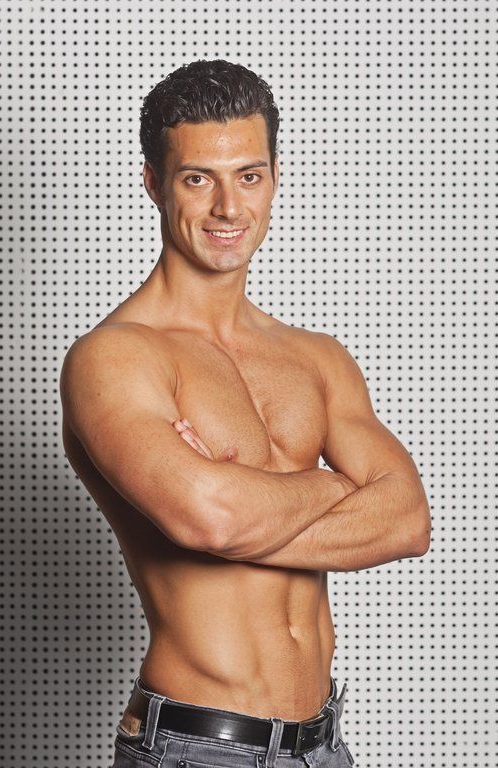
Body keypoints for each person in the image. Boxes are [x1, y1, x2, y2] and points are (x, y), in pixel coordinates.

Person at [59, 59, 431, 768]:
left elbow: (408, 521)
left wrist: (241, 507)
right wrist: (333, 485)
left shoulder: (317, 357)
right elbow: (212, 522)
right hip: (197, 746)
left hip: (324, 745)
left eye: (249, 176)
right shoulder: (114, 358)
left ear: (275, 178)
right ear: (154, 183)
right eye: (199, 179)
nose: (229, 208)